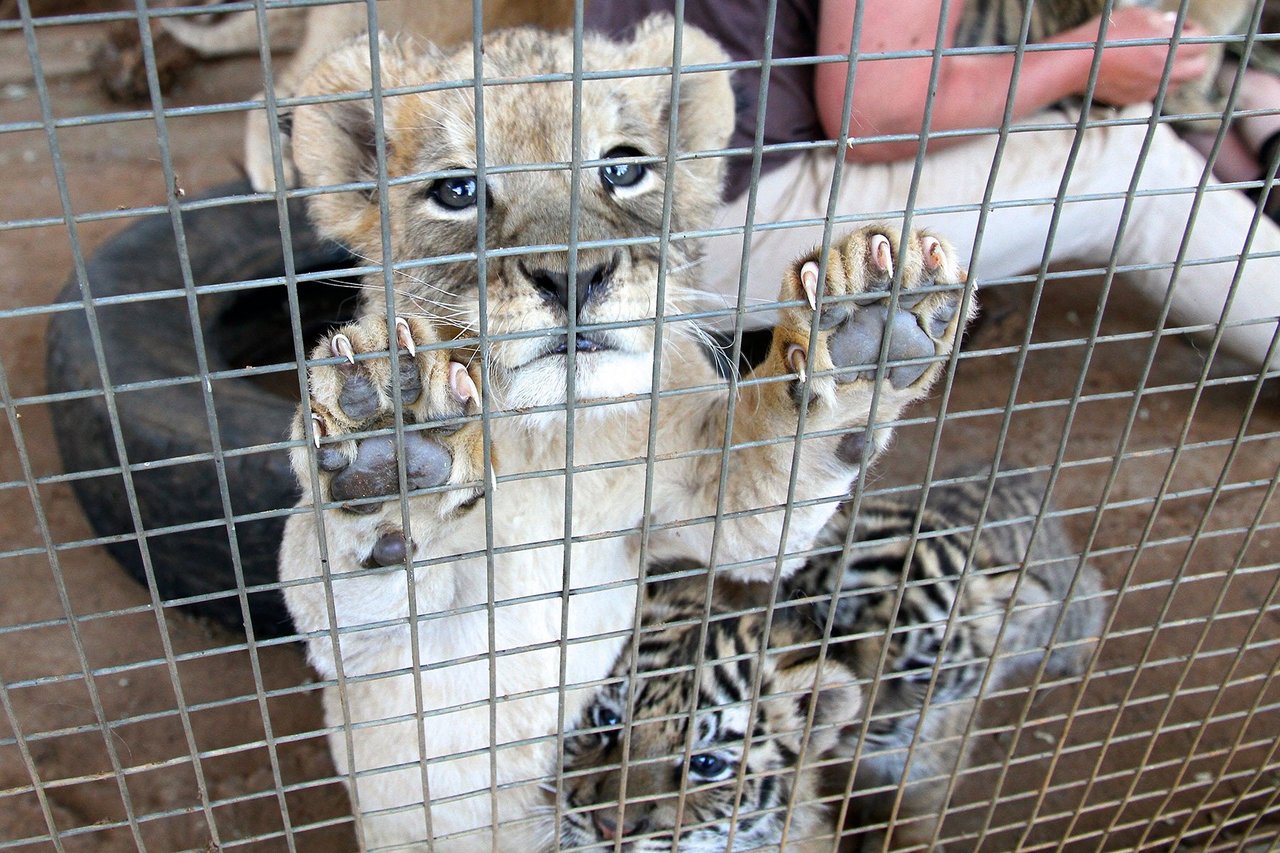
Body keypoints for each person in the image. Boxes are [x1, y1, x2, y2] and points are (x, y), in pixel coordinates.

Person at [587, 0, 1280, 372]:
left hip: (601, 189)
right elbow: (874, 109)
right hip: (689, 240)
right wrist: (1084, 58)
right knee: (1134, 164)